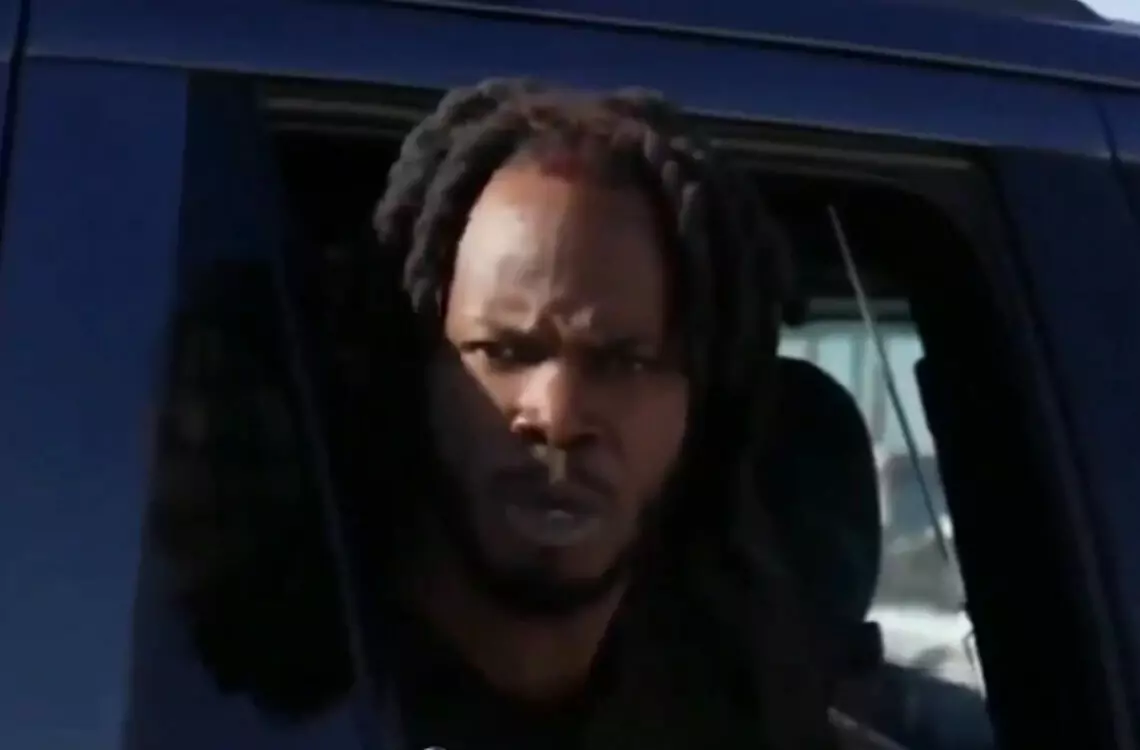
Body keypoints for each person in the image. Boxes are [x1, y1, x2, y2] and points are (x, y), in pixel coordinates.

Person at [149, 78, 873, 750]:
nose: (557, 415)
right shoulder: (236, 715)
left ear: (697, 406)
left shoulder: (753, 723)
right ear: (417, 375)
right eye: (503, 352)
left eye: (623, 363)